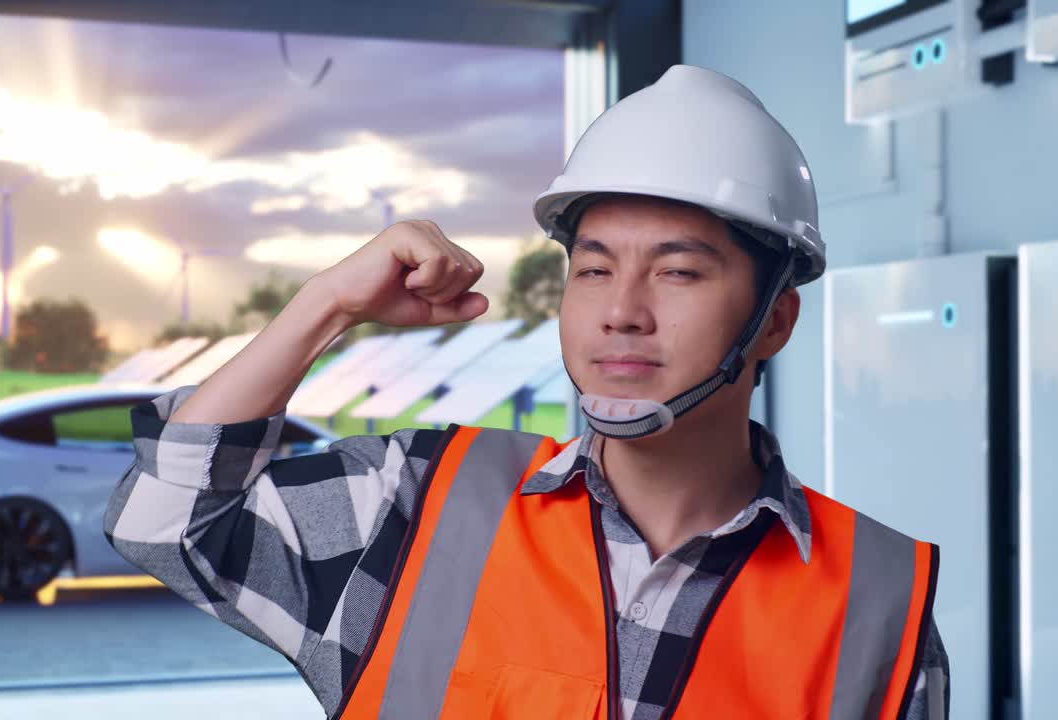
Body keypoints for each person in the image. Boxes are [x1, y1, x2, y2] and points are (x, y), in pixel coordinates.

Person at [106, 64, 949, 719]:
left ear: (775, 321)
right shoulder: (413, 504)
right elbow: (164, 516)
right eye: (593, 269)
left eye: (680, 271)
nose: (622, 312)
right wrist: (326, 305)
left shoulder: (877, 598)